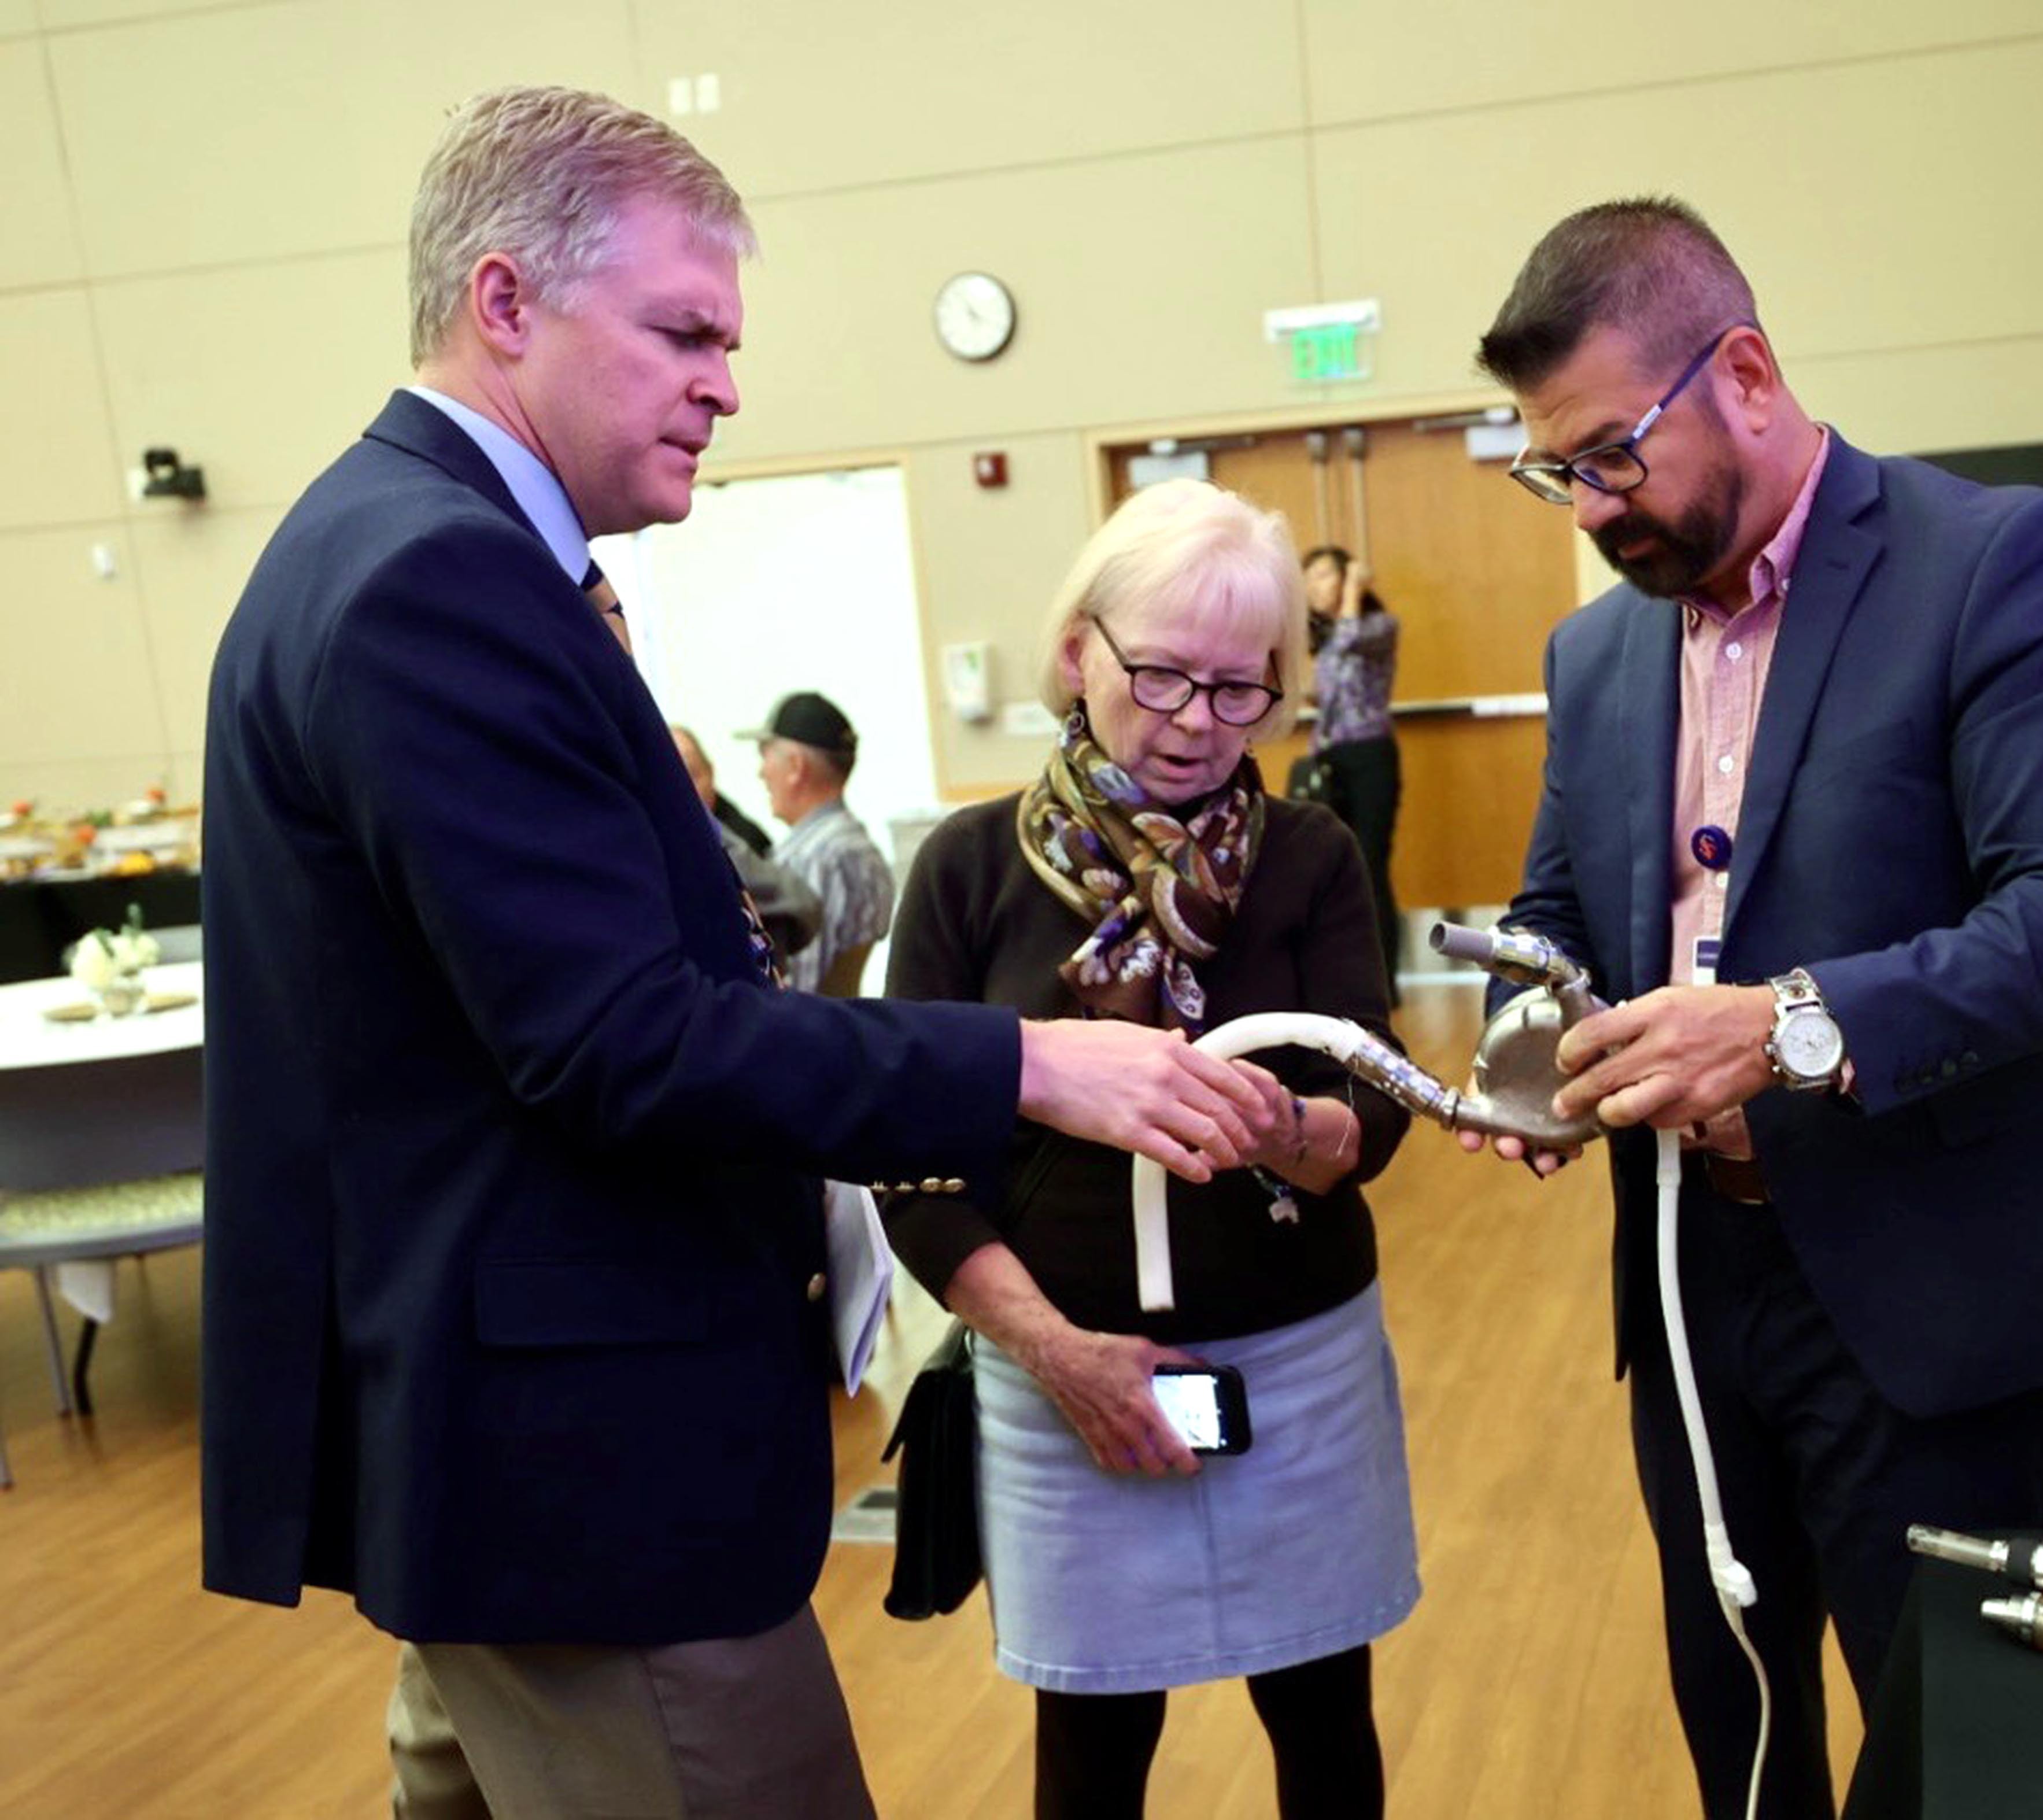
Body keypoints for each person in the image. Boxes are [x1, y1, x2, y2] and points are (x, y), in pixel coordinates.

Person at [197, 85, 1274, 1819]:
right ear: (505, 306)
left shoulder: (397, 547)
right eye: (684, 329)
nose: (725, 380)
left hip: (506, 1448)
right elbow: (619, 1038)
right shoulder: (436, 580)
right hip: (587, 1476)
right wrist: (1033, 1060)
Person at [1466, 197, 2043, 1817]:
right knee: (1734, 1706)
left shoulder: (1993, 562)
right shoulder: (1594, 657)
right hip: (1684, 1274)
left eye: (1607, 454)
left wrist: (1787, 1022)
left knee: (1956, 1741)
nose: (1588, 506)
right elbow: (1558, 917)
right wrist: (1525, 1058)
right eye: (1553, 471)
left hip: (1930, 1282)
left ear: (1742, 371)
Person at [880, 478, 1417, 1820]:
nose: (1195, 724)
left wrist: (1292, 1132)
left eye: (1240, 690)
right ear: (1076, 652)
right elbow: (911, 1162)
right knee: (1090, 1747)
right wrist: (1061, 1354)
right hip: (1062, 1378)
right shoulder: (963, 868)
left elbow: (1376, 1104)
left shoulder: (1309, 854)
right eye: (1163, 675)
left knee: (1323, 1722)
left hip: (1295, 1366)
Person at [1298, 546, 1403, 1001]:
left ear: (1347, 579)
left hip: (1370, 755)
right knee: (1331, 865)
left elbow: (1348, 639)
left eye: (1323, 575)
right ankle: (1342, 980)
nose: (1312, 586)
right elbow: (1318, 693)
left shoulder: (1376, 626)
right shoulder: (1320, 638)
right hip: (1330, 757)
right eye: (1309, 578)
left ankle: (1384, 983)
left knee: (1371, 864)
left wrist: (1355, 591)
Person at [745, 690, 896, 995]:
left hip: (813, 1038)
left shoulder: (816, 858)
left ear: (797, 767)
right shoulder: (860, 846)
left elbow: (800, 991)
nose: (761, 772)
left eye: (766, 755)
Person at [672, 722, 825, 960]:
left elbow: (803, 906)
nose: (761, 773)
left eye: (690, 774)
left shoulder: (741, 841)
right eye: (671, 779)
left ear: (711, 773)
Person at [672, 721, 777, 854]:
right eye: (672, 783)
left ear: (710, 772)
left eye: (693, 775)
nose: (683, 792)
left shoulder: (745, 843)